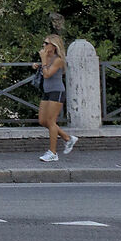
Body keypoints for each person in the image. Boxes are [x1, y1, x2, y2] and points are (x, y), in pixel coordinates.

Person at [36, 33, 74, 161]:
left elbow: (47, 74)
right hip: (47, 91)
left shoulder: (58, 59)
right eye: (44, 43)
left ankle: (52, 153)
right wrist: (38, 65)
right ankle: (67, 138)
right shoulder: (48, 57)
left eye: (47, 43)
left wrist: (43, 61)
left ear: (54, 45)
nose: (44, 45)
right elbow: (44, 69)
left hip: (57, 91)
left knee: (51, 122)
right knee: (42, 120)